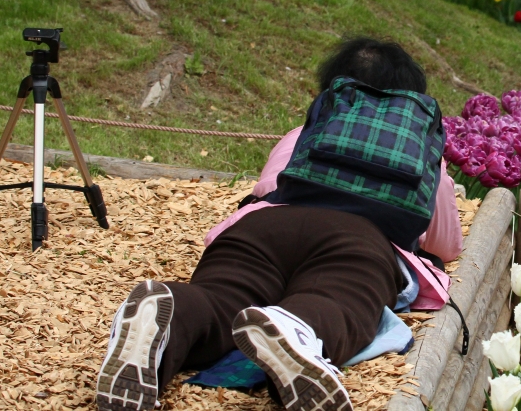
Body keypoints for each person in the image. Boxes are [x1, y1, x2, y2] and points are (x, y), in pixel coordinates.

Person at [95, 38, 462, 411]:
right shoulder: (422, 158)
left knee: (222, 299)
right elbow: (446, 246)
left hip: (260, 229)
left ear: (332, 90)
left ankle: (172, 313)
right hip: (356, 243)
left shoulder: (300, 137)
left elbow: (267, 187)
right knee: (335, 300)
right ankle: (296, 327)